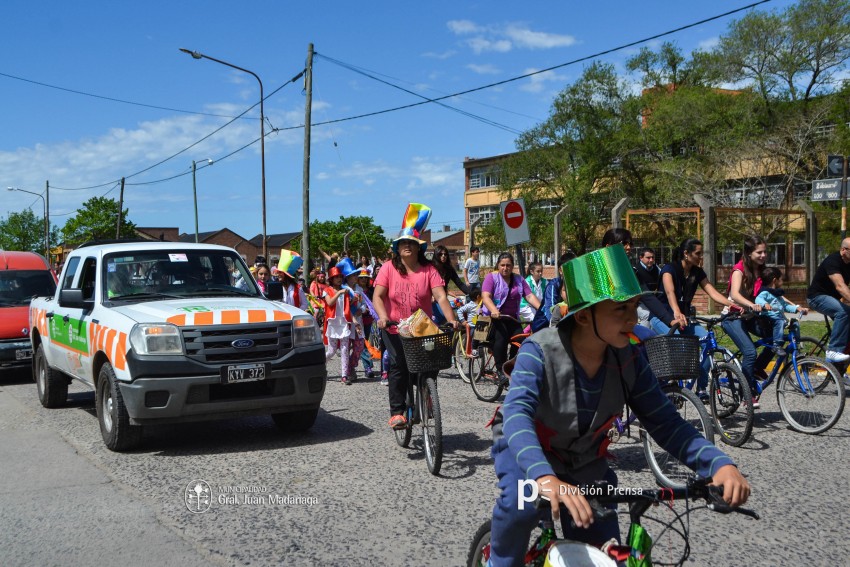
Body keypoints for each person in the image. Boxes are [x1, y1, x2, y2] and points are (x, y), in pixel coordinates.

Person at [486, 246, 751, 565]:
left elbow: (666, 423)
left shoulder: (630, 359)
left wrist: (719, 464)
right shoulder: (537, 351)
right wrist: (544, 477)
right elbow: (517, 417)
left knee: (603, 549)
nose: (632, 317)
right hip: (528, 450)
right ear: (584, 316)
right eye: (620, 309)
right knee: (520, 504)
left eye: (635, 306)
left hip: (584, 459)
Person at [373, 203, 459, 429]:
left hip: (422, 329)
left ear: (418, 247)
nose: (407, 246)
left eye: (412, 243)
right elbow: (378, 296)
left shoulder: (429, 270)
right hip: (394, 328)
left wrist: (452, 320)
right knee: (398, 365)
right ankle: (398, 412)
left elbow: (441, 297)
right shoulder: (388, 268)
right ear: (397, 247)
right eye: (403, 243)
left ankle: (427, 394)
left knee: (430, 365)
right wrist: (382, 317)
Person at [645, 238, 734, 398]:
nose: (701, 257)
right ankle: (673, 386)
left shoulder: (697, 272)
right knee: (679, 343)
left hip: (684, 319)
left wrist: (732, 304)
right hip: (663, 317)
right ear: (686, 254)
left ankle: (701, 389)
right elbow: (670, 293)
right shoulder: (668, 269)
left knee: (708, 342)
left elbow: (712, 292)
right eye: (698, 254)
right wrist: (677, 312)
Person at [721, 235, 774, 407]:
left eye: (765, 251)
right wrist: (752, 304)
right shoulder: (739, 270)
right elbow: (735, 294)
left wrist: (790, 306)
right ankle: (747, 392)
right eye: (759, 252)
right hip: (732, 316)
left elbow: (771, 292)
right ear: (749, 253)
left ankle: (756, 369)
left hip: (750, 315)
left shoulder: (761, 270)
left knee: (776, 338)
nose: (763, 255)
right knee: (750, 352)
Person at [480, 252, 542, 384]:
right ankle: (500, 370)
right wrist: (494, 310)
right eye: (502, 265)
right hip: (494, 318)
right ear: (498, 265)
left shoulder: (519, 280)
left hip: (512, 318)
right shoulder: (491, 278)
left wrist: (542, 310)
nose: (505, 268)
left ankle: (511, 366)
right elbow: (486, 296)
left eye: (508, 265)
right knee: (501, 338)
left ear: (512, 266)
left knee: (521, 340)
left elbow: (530, 296)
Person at [806, 237, 850, 364]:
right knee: (844, 312)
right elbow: (840, 287)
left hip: (832, 299)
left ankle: (838, 372)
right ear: (843, 250)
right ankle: (833, 350)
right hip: (816, 297)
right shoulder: (833, 261)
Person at [756, 267, 809, 354]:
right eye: (781, 279)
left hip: (779, 319)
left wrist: (797, 308)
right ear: (774, 280)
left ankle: (796, 343)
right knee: (780, 321)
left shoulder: (777, 294)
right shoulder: (765, 292)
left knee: (794, 323)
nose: (782, 281)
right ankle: (777, 345)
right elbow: (758, 299)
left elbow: (785, 306)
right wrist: (764, 304)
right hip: (769, 319)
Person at [323, 265, 360, 385]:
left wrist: (354, 320)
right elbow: (329, 302)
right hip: (333, 322)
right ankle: (320, 364)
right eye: (336, 277)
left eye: (340, 277)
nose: (339, 279)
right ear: (331, 279)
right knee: (332, 350)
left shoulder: (346, 291)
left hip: (344, 322)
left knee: (345, 349)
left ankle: (344, 375)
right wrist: (339, 293)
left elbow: (348, 307)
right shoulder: (327, 290)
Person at [530, 251, 575, 332]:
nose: (572, 271)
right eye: (569, 267)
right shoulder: (553, 285)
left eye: (574, 267)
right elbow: (550, 309)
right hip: (544, 326)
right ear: (560, 271)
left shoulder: (577, 284)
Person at [431, 245, 470, 324]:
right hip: (431, 300)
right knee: (437, 320)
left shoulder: (449, 269)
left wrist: (473, 293)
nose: (443, 256)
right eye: (440, 254)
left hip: (442, 298)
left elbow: (459, 283)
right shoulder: (431, 268)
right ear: (436, 255)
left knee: (449, 320)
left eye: (445, 254)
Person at [356, 268, 377, 379]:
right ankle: (367, 367)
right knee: (362, 344)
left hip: (369, 320)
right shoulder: (355, 290)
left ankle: (366, 365)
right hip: (358, 320)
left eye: (366, 278)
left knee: (367, 343)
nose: (364, 279)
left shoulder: (371, 291)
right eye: (361, 278)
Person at [634, 247, 662, 328]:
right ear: (641, 258)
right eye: (648, 258)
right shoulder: (635, 270)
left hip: (653, 301)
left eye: (652, 257)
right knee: (647, 315)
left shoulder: (657, 269)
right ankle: (643, 339)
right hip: (639, 302)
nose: (651, 260)